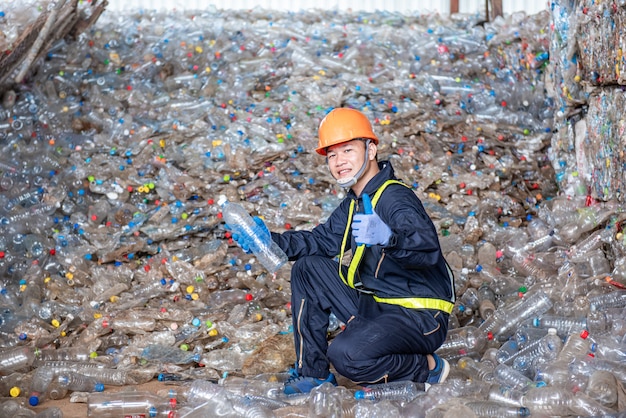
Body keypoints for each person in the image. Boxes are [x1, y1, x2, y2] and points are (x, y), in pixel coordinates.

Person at [229, 107, 455, 395]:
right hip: (380, 304)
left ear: (371, 150)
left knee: (347, 356)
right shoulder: (355, 202)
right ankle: (313, 374)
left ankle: (427, 367)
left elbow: (427, 252)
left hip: (420, 316)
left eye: (347, 150)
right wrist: (268, 241)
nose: (339, 162)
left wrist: (388, 238)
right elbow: (321, 241)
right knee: (308, 268)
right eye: (332, 155)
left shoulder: (394, 198)